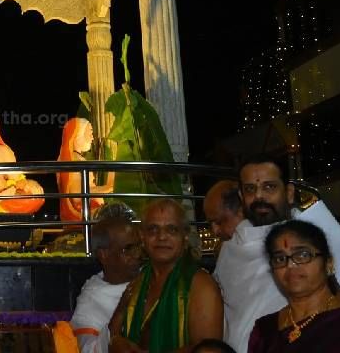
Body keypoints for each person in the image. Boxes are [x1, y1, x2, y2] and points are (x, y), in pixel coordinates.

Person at [215, 155, 340, 353]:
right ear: (242, 197)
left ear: (289, 192)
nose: (259, 197)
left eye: (269, 187)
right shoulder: (230, 250)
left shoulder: (327, 234)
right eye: (250, 189)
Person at [247, 220, 340, 353]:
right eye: (280, 259)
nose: (290, 265)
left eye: (302, 255)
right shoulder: (265, 330)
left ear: (329, 263)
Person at [108, 198, 223, 352]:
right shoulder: (140, 280)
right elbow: (113, 336)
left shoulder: (201, 286)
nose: (162, 237)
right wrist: (116, 342)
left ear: (185, 236)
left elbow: (210, 351)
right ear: (142, 236)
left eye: (172, 229)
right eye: (153, 229)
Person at [70, 208, 140, 353]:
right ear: (104, 255)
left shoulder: (151, 277)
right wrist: (121, 309)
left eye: (139, 247)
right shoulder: (91, 300)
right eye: (128, 249)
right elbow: (87, 349)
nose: (137, 255)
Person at [57, 118, 113, 224]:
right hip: (85, 211)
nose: (92, 137)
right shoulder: (72, 160)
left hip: (90, 209)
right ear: (78, 135)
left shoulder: (77, 158)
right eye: (90, 132)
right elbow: (76, 193)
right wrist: (106, 188)